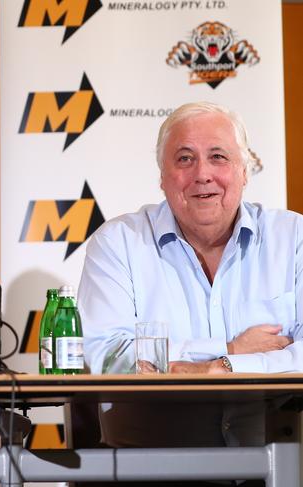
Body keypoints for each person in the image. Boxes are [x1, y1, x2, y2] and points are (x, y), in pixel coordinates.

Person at [76, 101, 301, 484]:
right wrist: (228, 349)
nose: (203, 175)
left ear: (244, 171)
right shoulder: (118, 244)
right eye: (184, 159)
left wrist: (220, 368)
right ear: (162, 177)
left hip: (279, 468)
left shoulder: (293, 238)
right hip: (148, 471)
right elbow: (109, 355)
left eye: (218, 157)